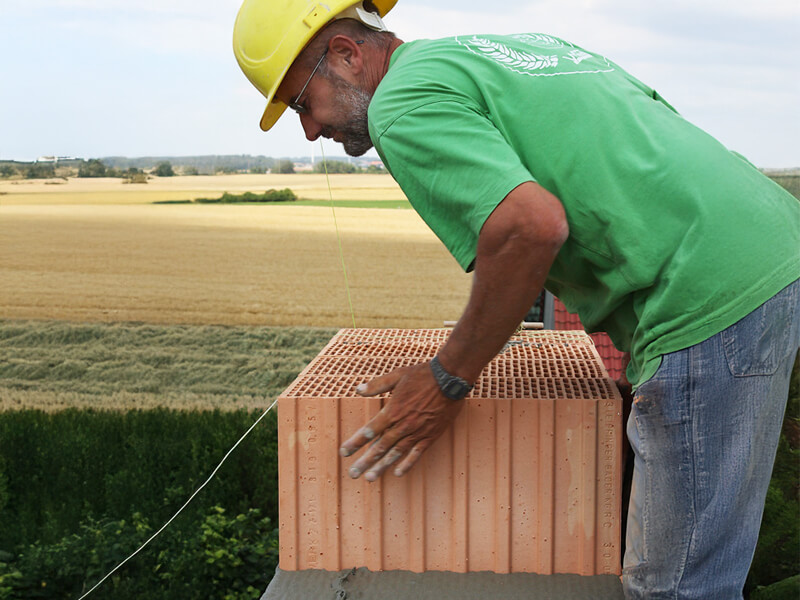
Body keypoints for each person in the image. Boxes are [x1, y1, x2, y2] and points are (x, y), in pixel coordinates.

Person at [233, 1, 800, 597]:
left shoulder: (400, 103)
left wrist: (447, 377)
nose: (310, 130)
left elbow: (530, 227)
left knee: (678, 589)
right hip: (770, 241)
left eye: (302, 103)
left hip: (705, 296)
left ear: (347, 54)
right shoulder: (506, 51)